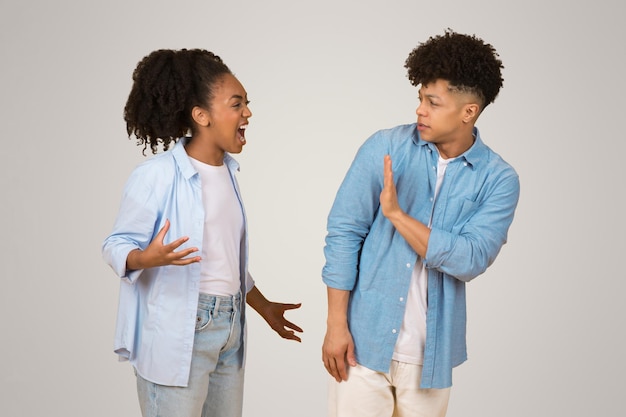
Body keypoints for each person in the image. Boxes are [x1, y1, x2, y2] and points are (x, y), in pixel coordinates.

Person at [321, 30, 520, 417]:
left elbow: (471, 258)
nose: (420, 111)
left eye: (433, 102)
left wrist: (397, 215)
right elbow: (343, 234)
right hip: (362, 344)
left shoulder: (498, 179)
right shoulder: (385, 147)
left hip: (431, 356)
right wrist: (335, 325)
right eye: (419, 99)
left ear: (469, 111)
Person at [102, 48, 303, 417]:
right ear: (201, 115)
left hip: (231, 328)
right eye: (236, 104)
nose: (248, 113)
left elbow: (226, 261)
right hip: (181, 330)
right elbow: (116, 245)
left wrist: (262, 307)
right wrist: (147, 257)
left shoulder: (228, 172)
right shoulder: (157, 175)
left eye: (247, 103)